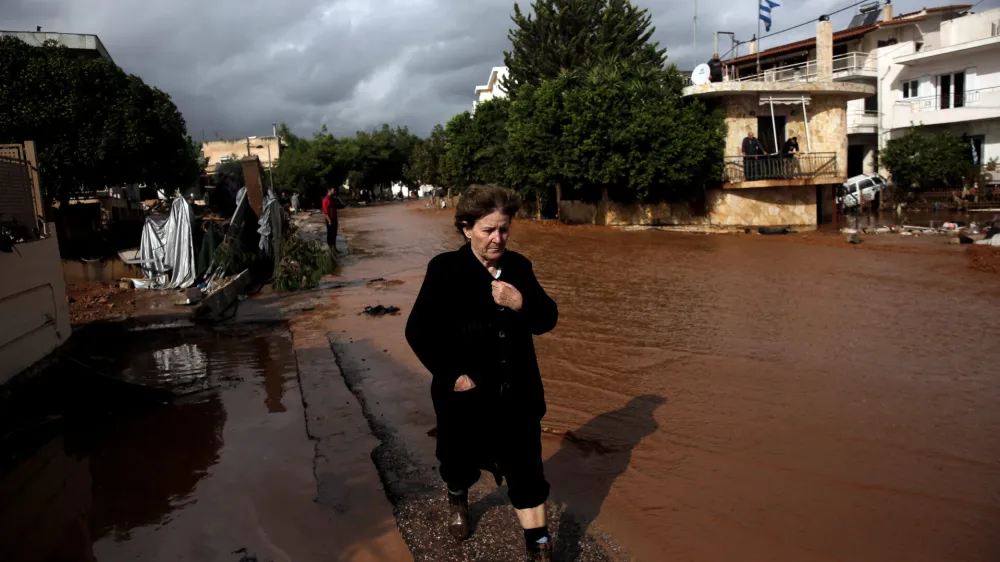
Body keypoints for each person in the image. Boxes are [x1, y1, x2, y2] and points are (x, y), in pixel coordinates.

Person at [405, 185, 559, 562]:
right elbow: (418, 331)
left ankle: (538, 548)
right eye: (489, 229)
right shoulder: (444, 270)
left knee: (528, 476)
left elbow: (547, 319)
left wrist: (521, 302)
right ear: (466, 228)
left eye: (504, 229)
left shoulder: (520, 267)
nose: (498, 238)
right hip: (465, 396)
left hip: (518, 395)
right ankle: (458, 499)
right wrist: (453, 374)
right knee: (458, 462)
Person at [321, 187, 340, 251]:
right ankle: (331, 249)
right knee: (330, 234)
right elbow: (325, 212)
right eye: (333, 190)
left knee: (334, 234)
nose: (334, 191)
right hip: (330, 220)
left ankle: (334, 248)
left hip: (334, 219)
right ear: (329, 191)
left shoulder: (332, 199)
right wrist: (329, 221)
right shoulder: (326, 199)